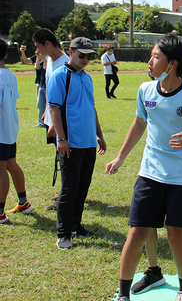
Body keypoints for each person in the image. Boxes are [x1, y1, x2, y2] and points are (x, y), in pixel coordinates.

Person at [106, 34, 182, 301]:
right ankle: (123, 295)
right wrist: (121, 157)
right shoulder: (145, 90)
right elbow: (139, 123)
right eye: (152, 55)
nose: (150, 61)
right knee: (137, 231)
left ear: (172, 64)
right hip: (150, 171)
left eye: (156, 56)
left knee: (176, 232)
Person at [47, 37, 107, 249]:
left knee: (83, 187)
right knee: (69, 188)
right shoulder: (60, 76)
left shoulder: (87, 77)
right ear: (70, 51)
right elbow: (54, 108)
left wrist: (99, 134)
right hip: (70, 143)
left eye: (88, 56)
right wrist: (61, 139)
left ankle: (75, 225)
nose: (84, 59)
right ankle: (63, 232)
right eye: (81, 55)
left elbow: (91, 107)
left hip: (88, 141)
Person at [0, 39, 35, 225]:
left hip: (1, 130)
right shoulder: (10, 74)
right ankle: (23, 203)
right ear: (6, 55)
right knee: (11, 165)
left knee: (1, 169)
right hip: (10, 128)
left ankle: (0, 213)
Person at [32, 28, 69, 140]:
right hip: (52, 118)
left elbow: (65, 98)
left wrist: (54, 124)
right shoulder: (49, 61)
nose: (37, 50)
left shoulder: (65, 65)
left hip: (61, 122)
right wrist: (46, 113)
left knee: (63, 152)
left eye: (38, 46)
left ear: (47, 43)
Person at [20, 45, 47, 127]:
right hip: (40, 82)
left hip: (47, 83)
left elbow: (45, 66)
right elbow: (28, 62)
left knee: (48, 103)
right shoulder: (38, 57)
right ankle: (41, 121)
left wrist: (41, 56)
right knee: (40, 103)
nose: (37, 49)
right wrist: (22, 52)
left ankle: (46, 121)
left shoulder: (48, 57)